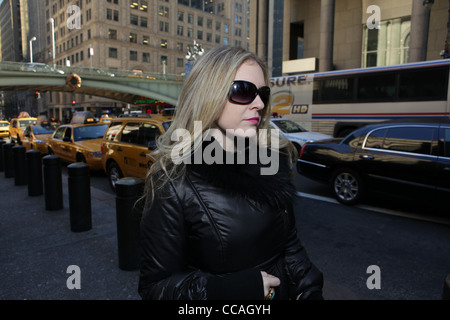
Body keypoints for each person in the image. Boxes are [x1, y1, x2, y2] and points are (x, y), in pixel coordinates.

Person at [138, 45, 323, 300]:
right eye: (244, 91)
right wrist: (226, 291)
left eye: (263, 93)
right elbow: (155, 289)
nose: (259, 103)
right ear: (208, 95)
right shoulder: (173, 181)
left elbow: (289, 246)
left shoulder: (272, 158)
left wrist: (310, 290)